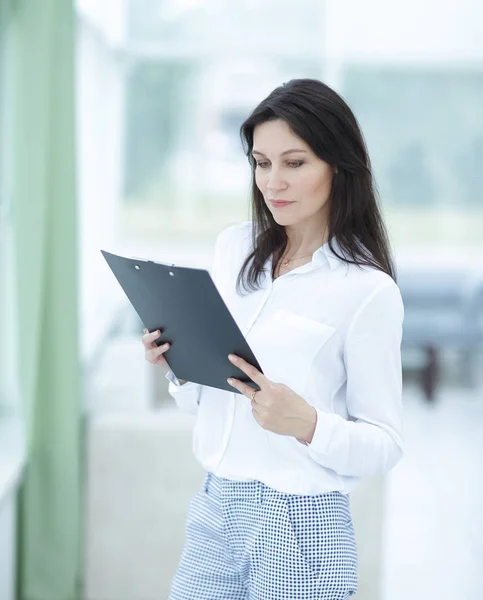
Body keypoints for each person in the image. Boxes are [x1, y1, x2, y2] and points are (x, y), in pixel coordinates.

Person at [142, 78, 404, 600]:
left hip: (302, 527)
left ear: (338, 165)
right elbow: (211, 401)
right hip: (215, 507)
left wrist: (307, 424)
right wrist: (178, 360)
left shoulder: (367, 291)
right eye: (262, 163)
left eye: (295, 162)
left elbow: (385, 445)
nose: (273, 182)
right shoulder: (233, 249)